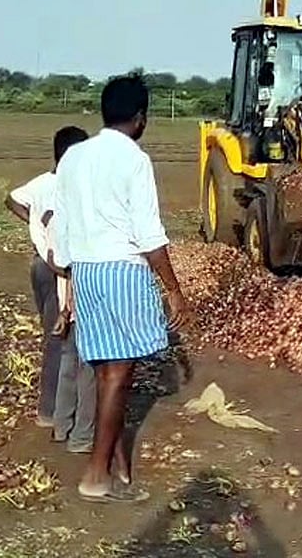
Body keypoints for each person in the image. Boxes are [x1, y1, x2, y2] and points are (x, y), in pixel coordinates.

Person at [52, 75, 192, 503]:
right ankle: (96, 475)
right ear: (141, 118)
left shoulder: (74, 157)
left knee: (104, 371)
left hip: (88, 270)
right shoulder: (134, 159)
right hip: (122, 271)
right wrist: (173, 289)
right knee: (119, 373)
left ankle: (114, 459)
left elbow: (67, 225)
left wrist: (71, 282)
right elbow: (149, 234)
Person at [5, 125, 90, 428]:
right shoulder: (73, 188)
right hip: (57, 269)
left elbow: (11, 199)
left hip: (40, 265)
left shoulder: (41, 184)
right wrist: (38, 225)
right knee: (61, 338)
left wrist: (35, 226)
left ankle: (56, 407)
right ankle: (51, 411)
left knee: (54, 333)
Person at [44, 210, 95, 454]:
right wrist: (68, 308)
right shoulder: (86, 216)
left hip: (69, 301)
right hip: (86, 305)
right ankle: (82, 437)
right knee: (89, 373)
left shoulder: (57, 219)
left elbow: (54, 260)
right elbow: (75, 266)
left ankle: (61, 426)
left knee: (69, 366)